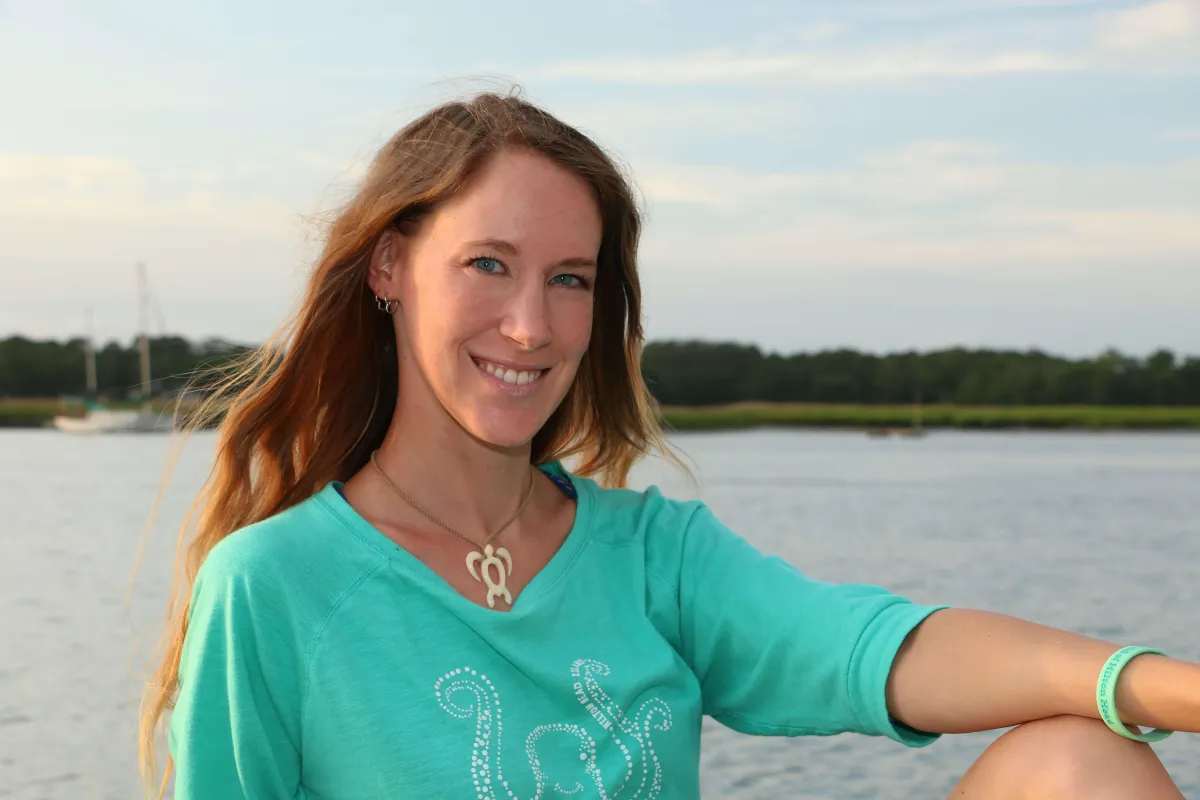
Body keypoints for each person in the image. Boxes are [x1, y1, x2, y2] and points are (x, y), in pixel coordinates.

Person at [139, 92, 1197, 800]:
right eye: (488, 264)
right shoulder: (274, 585)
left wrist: (1171, 689)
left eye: (570, 278)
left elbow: (874, 646)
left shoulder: (651, 557)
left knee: (1082, 759)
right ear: (388, 268)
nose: (531, 326)